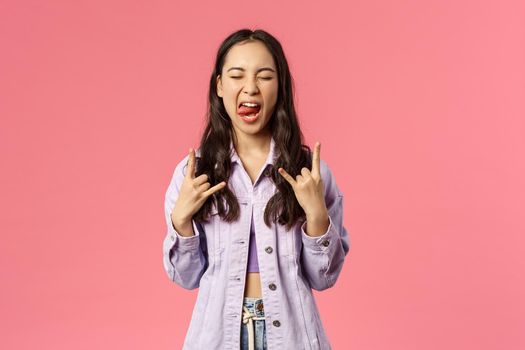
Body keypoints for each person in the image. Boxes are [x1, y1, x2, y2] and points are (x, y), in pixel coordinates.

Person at [162, 28, 350, 350]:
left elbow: (324, 278)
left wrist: (317, 216)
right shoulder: (194, 172)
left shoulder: (308, 173)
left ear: (280, 87)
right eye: (237, 76)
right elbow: (185, 278)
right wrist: (181, 224)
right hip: (218, 337)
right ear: (220, 86)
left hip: (292, 336)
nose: (250, 88)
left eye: (264, 76)